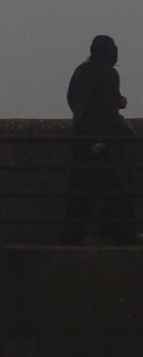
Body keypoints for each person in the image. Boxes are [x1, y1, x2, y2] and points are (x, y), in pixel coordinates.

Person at [62, 34, 135, 245]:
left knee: (81, 189)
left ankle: (72, 235)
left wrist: (86, 135)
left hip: (81, 136)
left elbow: (76, 100)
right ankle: (121, 235)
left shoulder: (81, 71)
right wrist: (100, 139)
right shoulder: (109, 74)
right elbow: (104, 112)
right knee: (117, 189)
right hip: (104, 140)